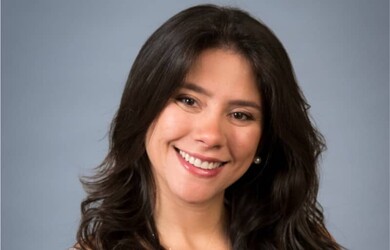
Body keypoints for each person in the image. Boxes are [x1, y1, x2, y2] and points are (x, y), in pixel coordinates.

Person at [75, 4, 343, 250]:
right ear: (144, 104)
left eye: (240, 115)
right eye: (188, 100)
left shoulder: (305, 243)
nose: (211, 135)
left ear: (266, 139)